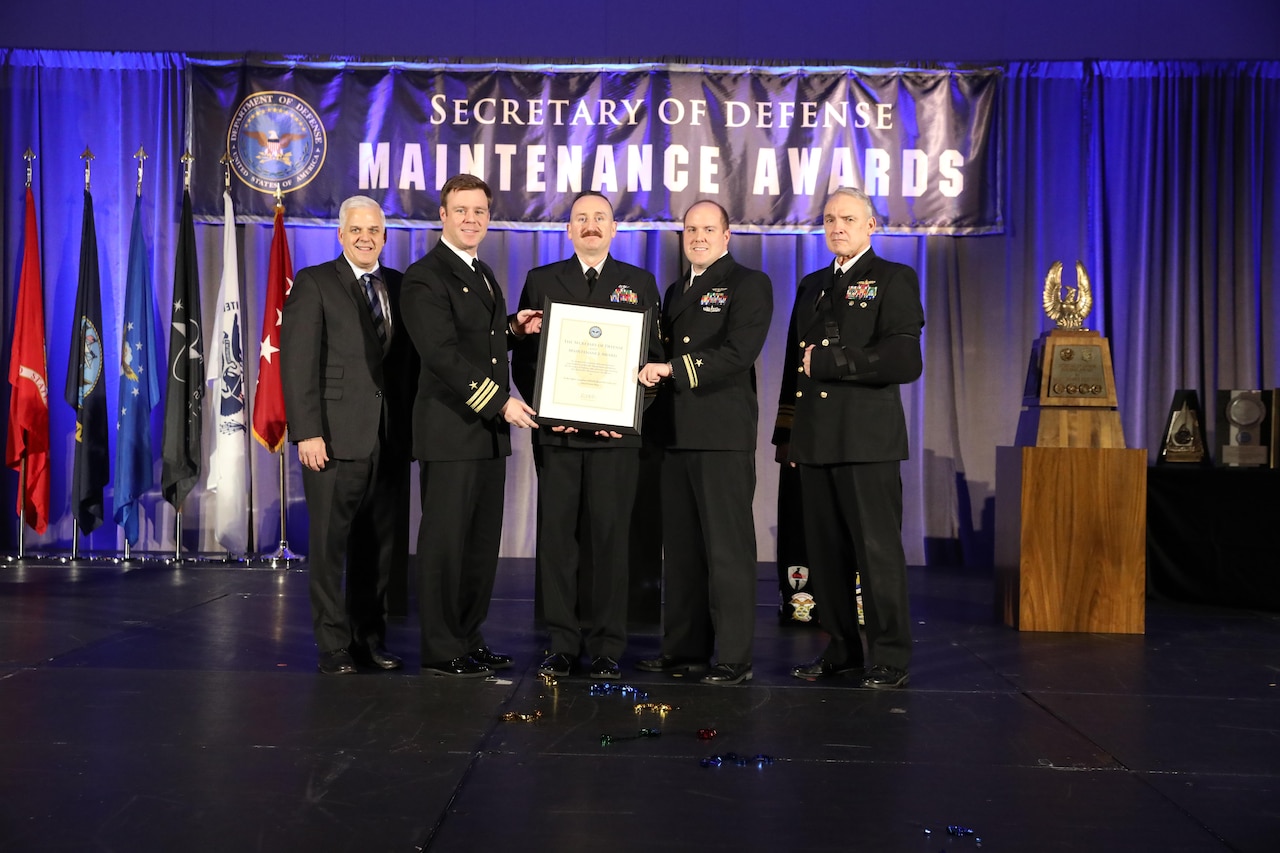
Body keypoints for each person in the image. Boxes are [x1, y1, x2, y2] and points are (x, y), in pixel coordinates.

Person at [773, 186, 925, 690]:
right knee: (825, 555)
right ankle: (840, 650)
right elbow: (797, 371)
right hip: (815, 442)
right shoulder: (812, 285)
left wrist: (841, 361)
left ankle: (889, 656)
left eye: (849, 219)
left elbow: (906, 360)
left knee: (875, 552)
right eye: (830, 219)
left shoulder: (893, 279)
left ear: (871, 226)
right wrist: (787, 436)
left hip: (867, 442)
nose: (838, 227)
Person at [511, 191, 663, 680]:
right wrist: (553, 410)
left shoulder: (639, 283)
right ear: (569, 230)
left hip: (616, 438)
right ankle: (560, 641)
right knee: (557, 540)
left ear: (614, 229)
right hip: (557, 436)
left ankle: (607, 646)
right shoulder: (541, 280)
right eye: (581, 219)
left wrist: (623, 413)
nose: (591, 225)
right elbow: (525, 357)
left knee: (611, 541)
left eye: (600, 218)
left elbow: (652, 362)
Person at [400, 174, 542, 677]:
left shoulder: (481, 272)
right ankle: (442, 647)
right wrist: (501, 403)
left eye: (480, 211)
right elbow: (441, 355)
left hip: (484, 435)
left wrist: (511, 330)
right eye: (462, 210)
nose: (471, 220)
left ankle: (468, 635)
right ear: (443, 214)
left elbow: (476, 341)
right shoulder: (424, 276)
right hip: (451, 430)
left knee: (481, 544)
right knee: (446, 543)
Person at [636, 200, 773, 686]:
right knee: (683, 550)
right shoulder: (675, 290)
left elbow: (738, 353)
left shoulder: (749, 284)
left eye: (708, 229)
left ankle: (733, 656)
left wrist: (672, 370)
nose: (698, 237)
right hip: (673, 436)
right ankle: (684, 649)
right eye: (691, 229)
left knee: (727, 550)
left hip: (720, 436)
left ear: (727, 235)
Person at [281, 194, 416, 675]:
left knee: (378, 549)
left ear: (384, 235)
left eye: (373, 230)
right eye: (355, 230)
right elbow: (296, 365)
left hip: (389, 439)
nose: (365, 238)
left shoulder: (400, 286)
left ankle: (369, 640)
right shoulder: (315, 282)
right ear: (341, 235)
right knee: (331, 547)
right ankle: (333, 644)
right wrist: (308, 433)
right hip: (334, 440)